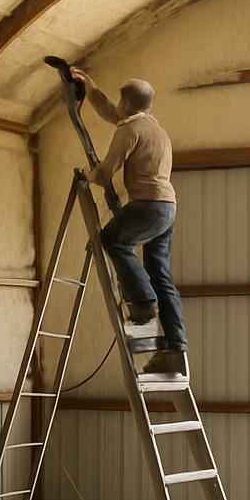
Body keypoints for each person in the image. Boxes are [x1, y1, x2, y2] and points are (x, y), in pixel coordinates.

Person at [70, 68, 187, 375]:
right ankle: (176, 350)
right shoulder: (155, 129)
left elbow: (106, 170)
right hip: (167, 208)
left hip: (147, 205)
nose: (116, 107)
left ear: (127, 104)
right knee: (160, 273)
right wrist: (90, 87)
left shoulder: (129, 131)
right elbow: (111, 112)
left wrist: (88, 176)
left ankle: (143, 303)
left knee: (112, 240)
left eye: (119, 102)